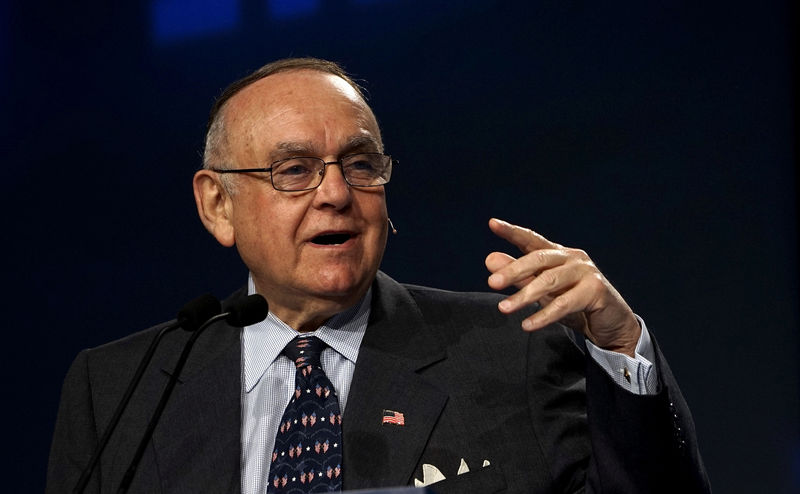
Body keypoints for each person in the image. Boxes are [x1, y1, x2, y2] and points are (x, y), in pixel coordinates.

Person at [47, 58, 711, 493]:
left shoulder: (513, 349)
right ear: (217, 205)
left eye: (361, 164)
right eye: (294, 170)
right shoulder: (117, 391)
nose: (337, 193)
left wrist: (621, 347)